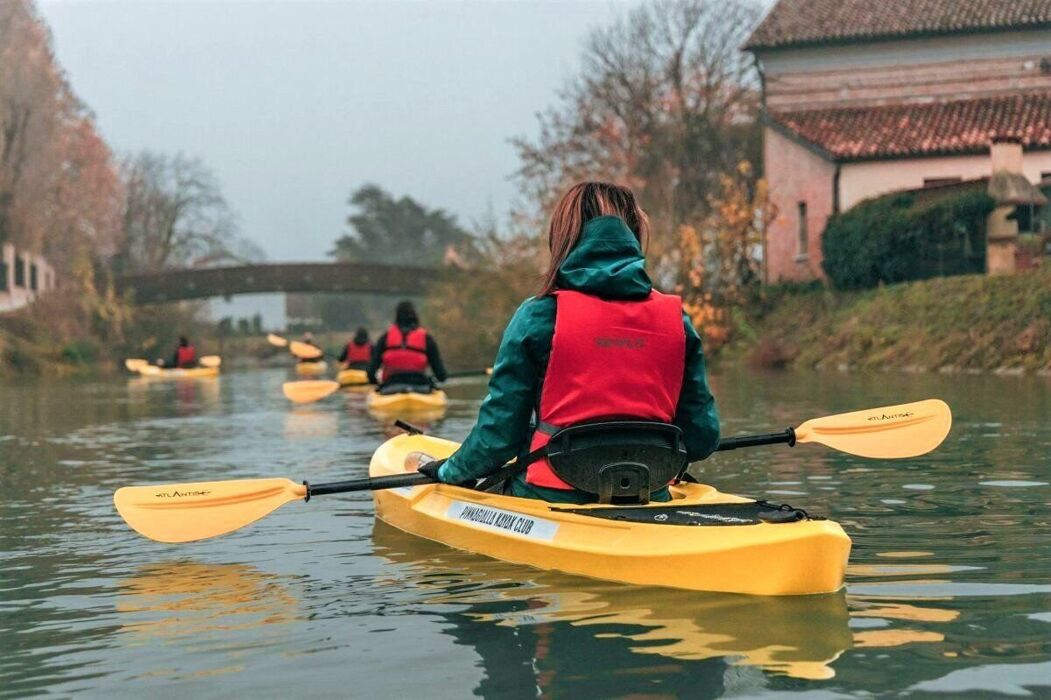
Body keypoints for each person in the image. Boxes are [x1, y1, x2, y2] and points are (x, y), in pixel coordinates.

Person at [419, 181, 719, 504]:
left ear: (563, 239)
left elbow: (498, 441)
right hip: (650, 493)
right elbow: (702, 438)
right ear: (634, 235)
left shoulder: (538, 316)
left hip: (550, 494)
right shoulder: (678, 321)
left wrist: (449, 472)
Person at [368, 301, 447, 388]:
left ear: (397, 316)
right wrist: (433, 380)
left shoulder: (385, 338)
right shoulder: (427, 339)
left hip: (390, 386)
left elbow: (370, 373)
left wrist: (376, 383)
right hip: (420, 386)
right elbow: (441, 376)